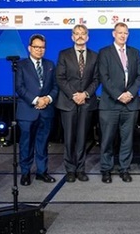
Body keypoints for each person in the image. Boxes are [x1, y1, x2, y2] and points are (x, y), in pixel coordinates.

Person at [98, 22, 140, 183]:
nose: (123, 35)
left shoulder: (135, 52)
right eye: (120, 32)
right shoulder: (104, 52)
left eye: (125, 33)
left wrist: (130, 93)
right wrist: (119, 95)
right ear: (114, 33)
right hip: (110, 104)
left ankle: (124, 169)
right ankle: (106, 169)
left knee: (127, 139)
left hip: (130, 104)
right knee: (107, 139)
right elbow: (104, 77)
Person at [55, 24, 100, 183]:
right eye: (77, 33)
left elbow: (97, 79)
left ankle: (80, 169)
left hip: (87, 103)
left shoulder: (95, 56)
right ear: (72, 37)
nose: (80, 36)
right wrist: (74, 95)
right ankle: (70, 169)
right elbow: (60, 78)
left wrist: (85, 94)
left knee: (82, 138)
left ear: (87, 37)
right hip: (68, 102)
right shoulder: (64, 54)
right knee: (69, 138)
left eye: (83, 33)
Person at [15, 34, 59, 186]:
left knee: (43, 143)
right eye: (36, 47)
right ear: (30, 48)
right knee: (26, 144)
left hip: (46, 111)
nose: (39, 50)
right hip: (27, 111)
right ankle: (25, 173)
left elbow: (55, 87)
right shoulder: (21, 65)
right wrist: (36, 100)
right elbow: (19, 87)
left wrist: (47, 99)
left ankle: (42, 172)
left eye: (42, 47)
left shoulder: (50, 64)